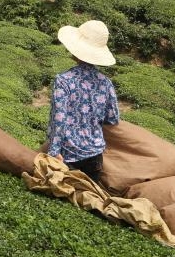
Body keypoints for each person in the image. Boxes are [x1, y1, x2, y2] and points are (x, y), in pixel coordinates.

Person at [47, 20, 120, 183]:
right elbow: (113, 118)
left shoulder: (63, 81)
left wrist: (53, 152)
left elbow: (59, 119)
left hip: (68, 155)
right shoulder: (106, 82)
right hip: (95, 155)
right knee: (89, 197)